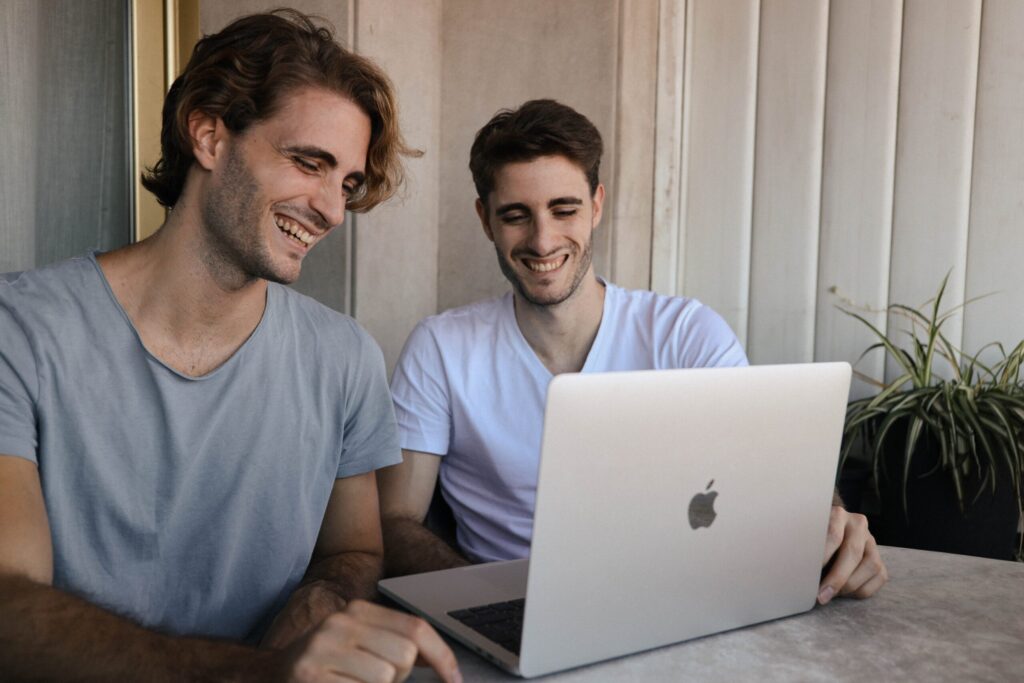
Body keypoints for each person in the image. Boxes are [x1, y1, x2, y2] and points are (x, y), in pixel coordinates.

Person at [0, 10, 461, 682]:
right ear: (210, 135)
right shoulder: (20, 330)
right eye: (310, 163)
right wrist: (257, 672)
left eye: (348, 184)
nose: (332, 209)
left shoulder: (344, 358)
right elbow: (9, 609)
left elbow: (354, 549)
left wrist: (319, 603)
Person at [378, 99, 888, 605]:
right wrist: (491, 601)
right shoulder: (441, 348)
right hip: (508, 611)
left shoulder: (688, 334)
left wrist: (830, 524)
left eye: (564, 209)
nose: (542, 239)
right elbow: (395, 522)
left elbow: (775, 478)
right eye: (516, 215)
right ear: (485, 220)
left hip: (677, 600)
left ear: (596, 205)